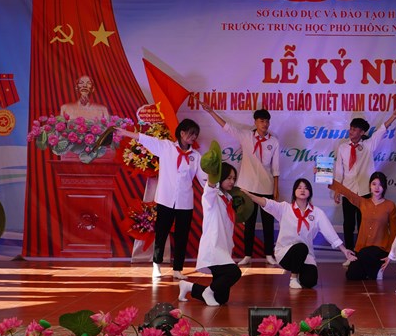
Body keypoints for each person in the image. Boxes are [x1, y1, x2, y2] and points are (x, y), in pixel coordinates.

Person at [115, 119, 202, 281]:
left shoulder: (196, 156)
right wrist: (125, 133)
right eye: (191, 133)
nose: (194, 137)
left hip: (185, 202)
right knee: (161, 233)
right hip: (165, 199)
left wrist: (216, 186)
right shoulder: (166, 147)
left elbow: (204, 179)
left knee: (182, 236)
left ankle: (178, 269)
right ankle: (157, 264)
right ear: (182, 133)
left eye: (196, 134)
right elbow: (145, 139)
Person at [201, 104, 280, 266]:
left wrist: (276, 189)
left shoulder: (274, 141)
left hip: (267, 187)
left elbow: (276, 168)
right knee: (249, 223)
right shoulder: (246, 136)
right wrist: (211, 112)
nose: (265, 124)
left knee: (268, 223)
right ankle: (247, 255)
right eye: (261, 121)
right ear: (255, 122)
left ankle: (269, 254)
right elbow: (226, 127)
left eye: (267, 121)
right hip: (247, 187)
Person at [244, 178, 356, 289]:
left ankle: (299, 272)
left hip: (306, 255)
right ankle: (293, 278)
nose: (302, 190)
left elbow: (330, 232)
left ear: (310, 192)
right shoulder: (284, 208)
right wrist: (250, 196)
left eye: (306, 188)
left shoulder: (317, 213)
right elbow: (266, 203)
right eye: (299, 187)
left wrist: (344, 250)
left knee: (310, 281)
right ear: (294, 191)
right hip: (285, 253)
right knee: (301, 247)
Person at [332, 106, 396, 252]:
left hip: (364, 192)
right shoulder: (342, 148)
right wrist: (337, 190)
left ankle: (362, 253)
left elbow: (382, 130)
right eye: (351, 128)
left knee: (363, 223)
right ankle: (349, 253)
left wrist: (394, 116)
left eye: (355, 129)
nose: (351, 131)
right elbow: (339, 170)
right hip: (348, 191)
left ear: (362, 132)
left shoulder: (368, 145)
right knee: (348, 224)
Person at [178, 161, 242, 307]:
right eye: (228, 178)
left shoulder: (229, 198)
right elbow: (211, 186)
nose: (232, 181)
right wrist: (214, 170)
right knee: (234, 273)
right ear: (220, 177)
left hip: (224, 248)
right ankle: (208, 292)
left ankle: (188, 287)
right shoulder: (211, 195)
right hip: (213, 248)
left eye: (234, 178)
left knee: (221, 298)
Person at [328, 172, 396, 280]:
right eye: (374, 184)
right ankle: (372, 270)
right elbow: (346, 192)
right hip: (362, 248)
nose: (377, 187)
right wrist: (324, 176)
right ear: (370, 186)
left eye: (380, 185)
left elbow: (394, 230)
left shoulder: (390, 205)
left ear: (384, 187)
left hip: (380, 248)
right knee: (351, 275)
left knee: (366, 254)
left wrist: (391, 253)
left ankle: (373, 268)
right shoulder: (363, 202)